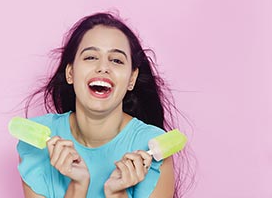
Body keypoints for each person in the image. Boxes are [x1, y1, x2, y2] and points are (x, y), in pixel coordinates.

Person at [17, 12, 189, 198]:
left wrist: (118, 194)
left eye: (116, 60)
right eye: (91, 57)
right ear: (70, 73)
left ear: (131, 79)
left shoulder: (153, 148)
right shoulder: (37, 142)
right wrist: (77, 186)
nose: (103, 67)